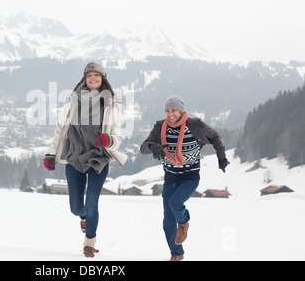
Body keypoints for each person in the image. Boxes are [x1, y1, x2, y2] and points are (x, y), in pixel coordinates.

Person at [43, 62, 127, 258]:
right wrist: (51, 154)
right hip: (75, 158)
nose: (93, 78)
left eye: (96, 75)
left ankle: (89, 243)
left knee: (92, 204)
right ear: (85, 79)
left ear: (103, 78)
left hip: (99, 159)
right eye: (89, 75)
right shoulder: (73, 102)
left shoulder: (111, 104)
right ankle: (83, 217)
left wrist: (109, 139)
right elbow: (60, 130)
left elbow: (118, 135)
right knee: (75, 208)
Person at [140, 95, 229, 261]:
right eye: (167, 110)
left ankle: (183, 223)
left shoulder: (195, 126)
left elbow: (215, 137)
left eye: (173, 110)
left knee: (175, 203)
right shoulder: (160, 127)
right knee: (167, 221)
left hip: (190, 176)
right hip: (170, 177)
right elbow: (143, 148)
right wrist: (154, 146)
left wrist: (222, 158)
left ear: (181, 111)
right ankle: (177, 253)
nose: (170, 114)